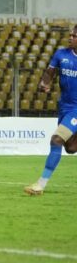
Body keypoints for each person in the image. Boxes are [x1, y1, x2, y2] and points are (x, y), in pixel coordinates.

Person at [24, 24, 77, 196]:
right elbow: (50, 72)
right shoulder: (61, 54)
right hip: (64, 107)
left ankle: (40, 185)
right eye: (70, 35)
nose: (70, 38)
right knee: (71, 148)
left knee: (56, 140)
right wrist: (44, 83)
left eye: (74, 36)